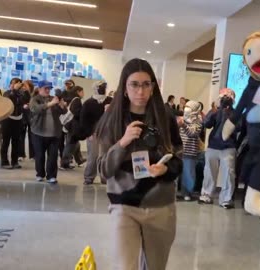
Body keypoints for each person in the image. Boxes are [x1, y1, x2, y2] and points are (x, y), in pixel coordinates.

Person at [94, 58, 182, 269]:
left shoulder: (165, 117)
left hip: (161, 206)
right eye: (134, 84)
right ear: (124, 87)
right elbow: (103, 171)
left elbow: (180, 158)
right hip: (124, 205)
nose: (140, 91)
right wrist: (123, 142)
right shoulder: (112, 120)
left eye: (146, 84)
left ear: (153, 86)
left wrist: (165, 168)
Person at [199, 89, 237, 209]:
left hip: (228, 146)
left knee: (228, 174)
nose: (225, 99)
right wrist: (214, 110)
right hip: (213, 146)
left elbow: (239, 127)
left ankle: (226, 199)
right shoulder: (215, 111)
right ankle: (206, 195)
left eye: (228, 97)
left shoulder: (235, 113)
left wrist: (228, 113)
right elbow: (207, 123)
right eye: (223, 97)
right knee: (209, 172)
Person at [30, 80, 67, 184]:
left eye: (49, 88)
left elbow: (64, 112)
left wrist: (62, 105)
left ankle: (51, 176)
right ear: (39, 89)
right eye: (45, 88)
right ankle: (40, 174)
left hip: (54, 133)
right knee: (40, 155)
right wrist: (50, 104)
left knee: (53, 156)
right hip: (38, 132)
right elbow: (35, 109)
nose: (47, 90)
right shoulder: (35, 99)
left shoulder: (53, 99)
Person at [79, 80, 112, 184]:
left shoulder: (111, 101)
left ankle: (104, 177)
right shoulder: (88, 103)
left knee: (105, 156)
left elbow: (117, 116)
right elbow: (83, 120)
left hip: (107, 132)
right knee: (92, 156)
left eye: (104, 87)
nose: (103, 89)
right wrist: (88, 134)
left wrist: (110, 111)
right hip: (93, 133)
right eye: (101, 87)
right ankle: (89, 177)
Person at [178, 100, 203, 201]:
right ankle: (180, 192)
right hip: (180, 151)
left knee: (189, 174)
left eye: (190, 108)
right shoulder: (182, 119)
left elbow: (192, 133)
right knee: (179, 172)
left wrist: (183, 125)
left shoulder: (198, 122)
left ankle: (187, 193)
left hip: (190, 152)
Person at [1, 78, 25, 169]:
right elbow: (9, 99)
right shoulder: (6, 93)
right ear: (10, 84)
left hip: (18, 119)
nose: (15, 85)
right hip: (7, 119)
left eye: (18, 84)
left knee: (16, 141)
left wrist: (24, 89)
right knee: (6, 141)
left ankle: (14, 161)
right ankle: (4, 161)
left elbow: (25, 100)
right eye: (13, 83)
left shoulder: (21, 94)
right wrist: (14, 90)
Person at [60, 85, 86, 169]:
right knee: (70, 144)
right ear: (78, 92)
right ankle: (64, 163)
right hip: (73, 126)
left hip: (71, 125)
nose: (83, 93)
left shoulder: (73, 99)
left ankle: (79, 160)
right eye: (82, 91)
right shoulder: (77, 100)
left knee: (75, 144)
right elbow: (76, 112)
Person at [19, 80, 34, 160]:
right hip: (23, 116)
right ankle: (21, 154)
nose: (24, 87)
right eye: (23, 86)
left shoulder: (34, 94)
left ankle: (33, 155)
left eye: (26, 86)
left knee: (32, 136)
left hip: (31, 117)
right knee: (21, 136)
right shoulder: (20, 93)